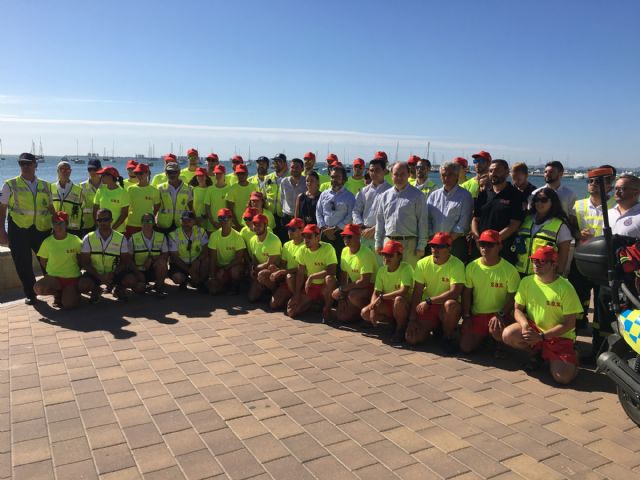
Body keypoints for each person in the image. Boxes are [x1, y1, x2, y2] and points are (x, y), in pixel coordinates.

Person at [503, 246, 582, 384]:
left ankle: (573, 356)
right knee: (508, 335)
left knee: (562, 378)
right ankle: (537, 354)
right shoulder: (527, 282)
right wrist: (524, 324)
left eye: (542, 261)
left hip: (559, 337)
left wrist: (542, 337)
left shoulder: (566, 288)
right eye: (534, 260)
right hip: (536, 330)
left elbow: (570, 324)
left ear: (554, 264)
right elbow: (517, 309)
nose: (536, 264)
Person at [0, 153, 55, 304]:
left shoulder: (46, 185)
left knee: (48, 261)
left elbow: (51, 208)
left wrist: (57, 226)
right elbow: (2, 209)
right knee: (22, 263)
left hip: (42, 229)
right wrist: (2, 232)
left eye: (28, 163)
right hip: (19, 229)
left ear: (35, 165)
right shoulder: (9, 184)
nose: (25, 166)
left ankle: (54, 289)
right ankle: (31, 294)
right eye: (22, 163)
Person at [568, 166, 615, 334]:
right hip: (582, 259)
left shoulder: (615, 205)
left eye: (598, 181)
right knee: (578, 295)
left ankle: (599, 343)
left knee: (603, 302)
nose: (592, 184)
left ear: (609, 184)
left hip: (605, 262)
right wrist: (578, 234)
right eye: (590, 181)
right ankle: (576, 331)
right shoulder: (578, 205)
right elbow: (571, 228)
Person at [459, 230, 520, 354]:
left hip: (500, 316)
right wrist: (466, 316)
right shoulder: (472, 267)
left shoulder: (510, 270)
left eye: (490, 244)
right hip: (478, 315)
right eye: (482, 244)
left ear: (500, 246)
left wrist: (500, 314)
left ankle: (498, 342)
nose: (485, 248)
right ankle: (485, 339)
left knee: (496, 331)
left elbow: (513, 297)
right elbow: (466, 294)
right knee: (465, 347)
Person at [406, 232, 464, 352]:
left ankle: (447, 337)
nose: (435, 250)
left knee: (451, 305)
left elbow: (454, 293)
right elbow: (417, 293)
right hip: (429, 307)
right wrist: (412, 320)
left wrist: (429, 300)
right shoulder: (422, 263)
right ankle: (436, 328)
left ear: (449, 248)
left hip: (444, 307)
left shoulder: (457, 264)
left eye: (440, 247)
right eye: (433, 246)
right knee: (412, 339)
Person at [375, 162, 429, 267]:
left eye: (402, 174)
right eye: (396, 174)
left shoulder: (418, 195)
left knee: (409, 279)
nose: (399, 177)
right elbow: (380, 221)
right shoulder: (385, 196)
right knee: (390, 277)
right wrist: (378, 243)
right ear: (391, 175)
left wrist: (421, 246)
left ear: (409, 175)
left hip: (410, 245)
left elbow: (423, 222)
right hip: (388, 243)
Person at [471, 159, 525, 264]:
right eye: (490, 171)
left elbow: (514, 224)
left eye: (497, 170)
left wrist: (493, 241)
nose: (493, 174)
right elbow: (475, 219)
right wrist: (478, 239)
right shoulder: (483, 193)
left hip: (502, 248)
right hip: (480, 247)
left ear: (507, 172)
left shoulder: (515, 195)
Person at [78, 208, 136, 302]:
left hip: (114, 273)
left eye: (105, 219)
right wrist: (99, 276)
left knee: (131, 280)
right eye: (99, 220)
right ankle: (96, 289)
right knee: (82, 286)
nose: (102, 222)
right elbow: (85, 263)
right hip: (95, 273)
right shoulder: (88, 238)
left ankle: (118, 289)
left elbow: (125, 261)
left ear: (111, 220)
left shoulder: (121, 238)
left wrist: (114, 273)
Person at [513, 188, 573, 276]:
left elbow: (564, 254)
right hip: (519, 273)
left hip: (545, 276)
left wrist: (558, 274)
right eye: (536, 200)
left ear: (553, 202)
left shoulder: (560, 225)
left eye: (544, 200)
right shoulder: (527, 219)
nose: (539, 203)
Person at [361, 240, 413, 340]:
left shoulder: (406, 268)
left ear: (399, 256)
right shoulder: (381, 270)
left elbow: (403, 291)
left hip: (403, 304)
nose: (386, 257)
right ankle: (393, 322)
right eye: (384, 254)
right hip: (388, 303)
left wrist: (382, 297)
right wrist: (372, 308)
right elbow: (376, 292)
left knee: (398, 300)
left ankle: (400, 328)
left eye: (390, 255)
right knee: (365, 313)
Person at [329, 224, 377, 323]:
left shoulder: (366, 253)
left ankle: (367, 315)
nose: (346, 239)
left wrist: (342, 289)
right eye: (344, 236)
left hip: (371, 288)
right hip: (356, 287)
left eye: (349, 236)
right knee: (342, 317)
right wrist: (342, 297)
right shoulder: (344, 250)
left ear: (358, 236)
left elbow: (365, 282)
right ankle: (358, 314)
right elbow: (343, 275)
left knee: (352, 295)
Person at [286, 224, 337, 319]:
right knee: (291, 312)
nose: (306, 239)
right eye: (304, 236)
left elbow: (332, 270)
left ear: (318, 237)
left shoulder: (328, 248)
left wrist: (312, 276)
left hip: (324, 286)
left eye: (309, 236)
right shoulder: (302, 250)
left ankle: (327, 307)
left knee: (330, 279)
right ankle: (315, 303)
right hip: (311, 287)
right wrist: (296, 294)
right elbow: (300, 273)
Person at [426, 161, 473, 262]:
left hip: (455, 243)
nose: (446, 177)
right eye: (443, 175)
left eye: (450, 174)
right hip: (435, 243)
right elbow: (427, 218)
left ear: (457, 176)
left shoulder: (465, 196)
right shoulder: (433, 195)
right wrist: (432, 238)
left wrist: (446, 241)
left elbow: (463, 224)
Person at [34, 211, 82, 309]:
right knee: (38, 288)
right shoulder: (47, 241)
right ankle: (58, 294)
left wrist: (77, 269)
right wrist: (51, 271)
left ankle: (73, 292)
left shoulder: (75, 240)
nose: (58, 226)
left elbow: (83, 258)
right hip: (54, 278)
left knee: (69, 305)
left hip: (71, 278)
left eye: (61, 223)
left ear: (67, 224)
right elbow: (43, 261)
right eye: (55, 223)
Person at [353, 158, 391, 254]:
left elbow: (391, 216)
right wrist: (360, 226)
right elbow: (356, 211)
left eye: (377, 170)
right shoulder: (363, 191)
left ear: (384, 171)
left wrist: (374, 229)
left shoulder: (391, 191)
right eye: (371, 170)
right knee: (365, 266)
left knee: (380, 266)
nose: (373, 173)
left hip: (382, 235)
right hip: (364, 234)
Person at [267, 217, 305, 310]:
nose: (289, 232)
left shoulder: (306, 245)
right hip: (288, 278)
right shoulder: (286, 245)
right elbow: (283, 265)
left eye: (293, 229)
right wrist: (276, 269)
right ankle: (288, 296)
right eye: (288, 229)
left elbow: (301, 269)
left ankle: (297, 296)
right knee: (273, 304)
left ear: (301, 230)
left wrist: (282, 272)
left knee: (289, 276)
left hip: (301, 278)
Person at [316, 165, 356, 254]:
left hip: (341, 234)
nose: (334, 179)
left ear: (344, 179)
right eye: (332, 177)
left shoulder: (350, 197)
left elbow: (350, 216)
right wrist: (324, 228)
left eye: (337, 177)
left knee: (339, 260)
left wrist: (335, 229)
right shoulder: (324, 194)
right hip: (324, 232)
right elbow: (318, 212)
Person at [129, 213, 169, 297]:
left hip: (154, 268)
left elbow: (165, 255)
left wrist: (151, 258)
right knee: (140, 289)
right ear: (141, 223)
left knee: (162, 263)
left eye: (150, 221)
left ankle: (159, 287)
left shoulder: (161, 236)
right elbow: (128, 259)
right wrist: (137, 273)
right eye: (144, 221)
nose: (147, 223)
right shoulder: (133, 238)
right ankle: (144, 285)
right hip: (139, 270)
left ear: (154, 223)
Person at [207, 208, 246, 294]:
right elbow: (212, 258)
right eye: (220, 218)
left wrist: (224, 269)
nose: (223, 220)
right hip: (219, 267)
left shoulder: (238, 236)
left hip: (232, 267)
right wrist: (212, 276)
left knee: (235, 272)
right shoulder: (214, 235)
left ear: (231, 219)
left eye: (225, 218)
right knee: (213, 291)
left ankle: (234, 286)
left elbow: (239, 259)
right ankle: (223, 285)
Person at [168, 211, 209, 291]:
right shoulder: (173, 234)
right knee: (177, 278)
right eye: (183, 221)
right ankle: (186, 281)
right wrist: (190, 271)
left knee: (207, 260)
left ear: (194, 221)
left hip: (196, 262)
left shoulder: (201, 231)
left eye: (189, 221)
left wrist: (198, 260)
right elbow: (175, 258)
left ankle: (200, 282)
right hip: (180, 264)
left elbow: (206, 249)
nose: (186, 223)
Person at [249, 214, 282, 302]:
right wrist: (252, 268)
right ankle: (264, 289)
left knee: (262, 274)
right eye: (254, 224)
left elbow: (270, 263)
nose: (256, 227)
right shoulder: (252, 240)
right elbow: (254, 258)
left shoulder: (273, 240)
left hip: (275, 271)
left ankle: (275, 291)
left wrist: (255, 268)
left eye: (259, 225)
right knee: (251, 299)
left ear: (266, 225)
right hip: (260, 269)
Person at [156, 162, 193, 234]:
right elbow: (156, 207)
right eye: (169, 172)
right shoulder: (159, 188)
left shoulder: (189, 188)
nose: (172, 175)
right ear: (166, 173)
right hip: (164, 224)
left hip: (181, 224)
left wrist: (191, 222)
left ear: (179, 172)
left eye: (174, 172)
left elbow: (191, 208)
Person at [126, 163, 160, 238]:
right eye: (136, 173)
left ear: (147, 173)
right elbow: (126, 207)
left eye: (141, 173)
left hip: (147, 224)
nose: (138, 176)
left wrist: (151, 218)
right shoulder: (130, 189)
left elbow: (157, 207)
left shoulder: (154, 190)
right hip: (132, 223)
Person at [51, 160, 85, 237]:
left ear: (70, 171)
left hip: (73, 229)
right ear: (57, 171)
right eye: (62, 169)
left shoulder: (79, 190)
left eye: (67, 169)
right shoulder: (51, 188)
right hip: (56, 227)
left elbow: (83, 209)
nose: (65, 171)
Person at [93, 166, 129, 234]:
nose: (101, 177)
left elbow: (124, 214)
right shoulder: (100, 190)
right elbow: (95, 210)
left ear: (111, 176)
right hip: (101, 230)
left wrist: (112, 229)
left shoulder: (123, 192)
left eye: (103, 175)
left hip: (118, 231)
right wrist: (99, 226)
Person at [278, 158, 307, 237]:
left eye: (297, 167)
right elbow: (281, 198)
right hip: (286, 217)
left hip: (301, 218)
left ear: (302, 169)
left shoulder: (306, 182)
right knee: (285, 240)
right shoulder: (284, 182)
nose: (294, 169)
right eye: (292, 167)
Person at [226, 163, 258, 229]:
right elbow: (230, 209)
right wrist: (237, 225)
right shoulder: (232, 188)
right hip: (236, 224)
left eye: (243, 173)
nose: (241, 175)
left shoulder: (253, 187)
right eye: (238, 173)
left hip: (251, 223)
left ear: (247, 173)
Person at [609, 174, 640, 238]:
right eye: (615, 189)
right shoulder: (609, 213)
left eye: (622, 189)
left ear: (636, 192)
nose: (616, 193)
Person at [266, 153, 290, 237]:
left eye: (279, 161)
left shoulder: (290, 178)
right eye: (275, 161)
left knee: (284, 240)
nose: (276, 164)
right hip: (270, 216)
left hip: (285, 216)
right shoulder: (268, 177)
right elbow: (264, 195)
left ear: (285, 163)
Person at [79, 158, 103, 236]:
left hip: (104, 223)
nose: (92, 172)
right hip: (87, 224)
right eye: (90, 169)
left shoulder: (107, 185)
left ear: (100, 169)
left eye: (94, 169)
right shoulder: (82, 186)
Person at [205, 164, 230, 230]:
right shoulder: (210, 189)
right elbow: (207, 207)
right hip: (211, 225)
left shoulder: (230, 189)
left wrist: (223, 223)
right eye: (216, 173)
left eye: (220, 173)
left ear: (224, 174)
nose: (218, 175)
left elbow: (230, 209)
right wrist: (213, 223)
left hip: (225, 225)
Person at [190, 167, 214, 232]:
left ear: (206, 177)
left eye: (202, 175)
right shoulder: (194, 190)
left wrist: (203, 218)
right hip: (196, 222)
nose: (200, 177)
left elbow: (211, 206)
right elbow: (192, 207)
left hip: (208, 222)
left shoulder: (211, 189)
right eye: (198, 176)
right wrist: (195, 219)